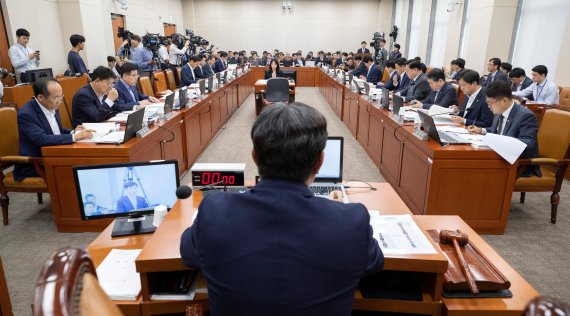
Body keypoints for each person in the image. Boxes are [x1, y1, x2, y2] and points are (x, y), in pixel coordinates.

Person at [180, 102, 383, 315]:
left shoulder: (213, 211)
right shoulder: (351, 221)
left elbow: (188, 253)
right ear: (319, 162)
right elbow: (374, 262)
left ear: (254, 156)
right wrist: (337, 213)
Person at [14, 78, 93, 181]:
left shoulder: (51, 105)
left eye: (61, 96)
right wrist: (74, 137)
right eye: (56, 98)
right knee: (78, 169)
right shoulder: (26, 114)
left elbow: (55, 130)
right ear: (41, 97)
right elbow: (41, 139)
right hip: (36, 162)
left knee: (87, 161)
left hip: (55, 153)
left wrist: (73, 131)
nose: (60, 101)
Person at [467, 81, 540, 176]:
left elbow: (530, 144)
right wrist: (482, 130)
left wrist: (503, 141)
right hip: (498, 157)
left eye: (490, 103)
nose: (488, 107)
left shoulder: (526, 116)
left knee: (475, 169)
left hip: (517, 164)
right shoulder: (500, 111)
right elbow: (498, 131)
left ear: (504, 101)